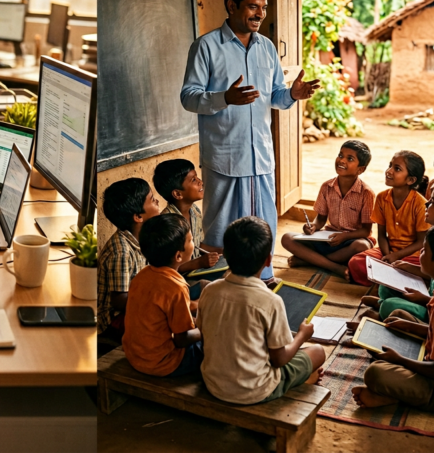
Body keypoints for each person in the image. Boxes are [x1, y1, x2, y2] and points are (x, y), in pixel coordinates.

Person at [180, 0, 320, 286]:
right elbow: (188, 97)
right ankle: (217, 286)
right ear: (231, 6)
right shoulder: (206, 47)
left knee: (264, 224)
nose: (259, 14)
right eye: (252, 7)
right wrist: (224, 98)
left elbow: (276, 98)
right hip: (226, 157)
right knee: (221, 228)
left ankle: (262, 280)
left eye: (263, 8)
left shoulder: (267, 48)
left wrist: (293, 95)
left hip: (261, 158)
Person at [352, 224, 434, 413]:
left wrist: (400, 360)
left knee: (375, 374)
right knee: (398, 317)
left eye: (424, 250)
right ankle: (393, 390)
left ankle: (392, 396)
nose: (420, 252)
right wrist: (410, 326)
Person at [197, 217, 325, 404]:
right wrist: (302, 336)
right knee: (317, 352)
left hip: (214, 384)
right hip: (255, 390)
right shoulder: (271, 301)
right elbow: (279, 360)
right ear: (268, 260)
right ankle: (300, 379)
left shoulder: (209, 290)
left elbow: (203, 333)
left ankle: (300, 376)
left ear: (226, 255)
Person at [361, 182, 434, 322]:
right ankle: (386, 308)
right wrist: (409, 268)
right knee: (386, 287)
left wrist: (424, 299)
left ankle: (386, 309)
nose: (426, 204)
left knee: (390, 305)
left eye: (432, 203)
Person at [122, 214, 204, 377]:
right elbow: (181, 340)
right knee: (215, 340)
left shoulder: (143, 275)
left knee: (201, 286)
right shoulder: (176, 288)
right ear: (178, 256)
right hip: (164, 363)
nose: (193, 244)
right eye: (190, 240)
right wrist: (205, 328)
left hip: (135, 356)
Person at [281, 140, 375, 280]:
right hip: (327, 238)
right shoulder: (327, 187)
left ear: (360, 169)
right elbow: (321, 219)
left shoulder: (366, 193)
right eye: (340, 155)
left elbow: (366, 231)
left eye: (350, 159)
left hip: (351, 240)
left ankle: (308, 260)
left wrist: (344, 236)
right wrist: (313, 226)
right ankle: (335, 266)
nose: (342, 160)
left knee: (362, 246)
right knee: (287, 238)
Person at [347, 151, 431, 285]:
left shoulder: (420, 204)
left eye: (397, 169)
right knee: (356, 263)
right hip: (388, 250)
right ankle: (393, 279)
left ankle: (387, 278)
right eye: (390, 165)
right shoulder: (382, 198)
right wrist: (387, 257)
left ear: (411, 180)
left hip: (412, 256)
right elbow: (381, 234)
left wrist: (396, 256)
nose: (389, 171)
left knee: (422, 270)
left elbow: (421, 242)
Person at [97, 178, 160, 337]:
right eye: (152, 200)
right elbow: (119, 301)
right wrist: (156, 303)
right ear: (138, 216)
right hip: (113, 322)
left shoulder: (142, 238)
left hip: (135, 305)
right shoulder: (121, 252)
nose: (157, 201)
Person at [153, 158, 220, 274]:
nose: (201, 182)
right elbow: (165, 268)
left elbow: (197, 245)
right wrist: (198, 263)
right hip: (177, 280)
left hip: (196, 272)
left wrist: (223, 252)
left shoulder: (194, 211)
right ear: (178, 194)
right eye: (193, 180)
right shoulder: (167, 224)